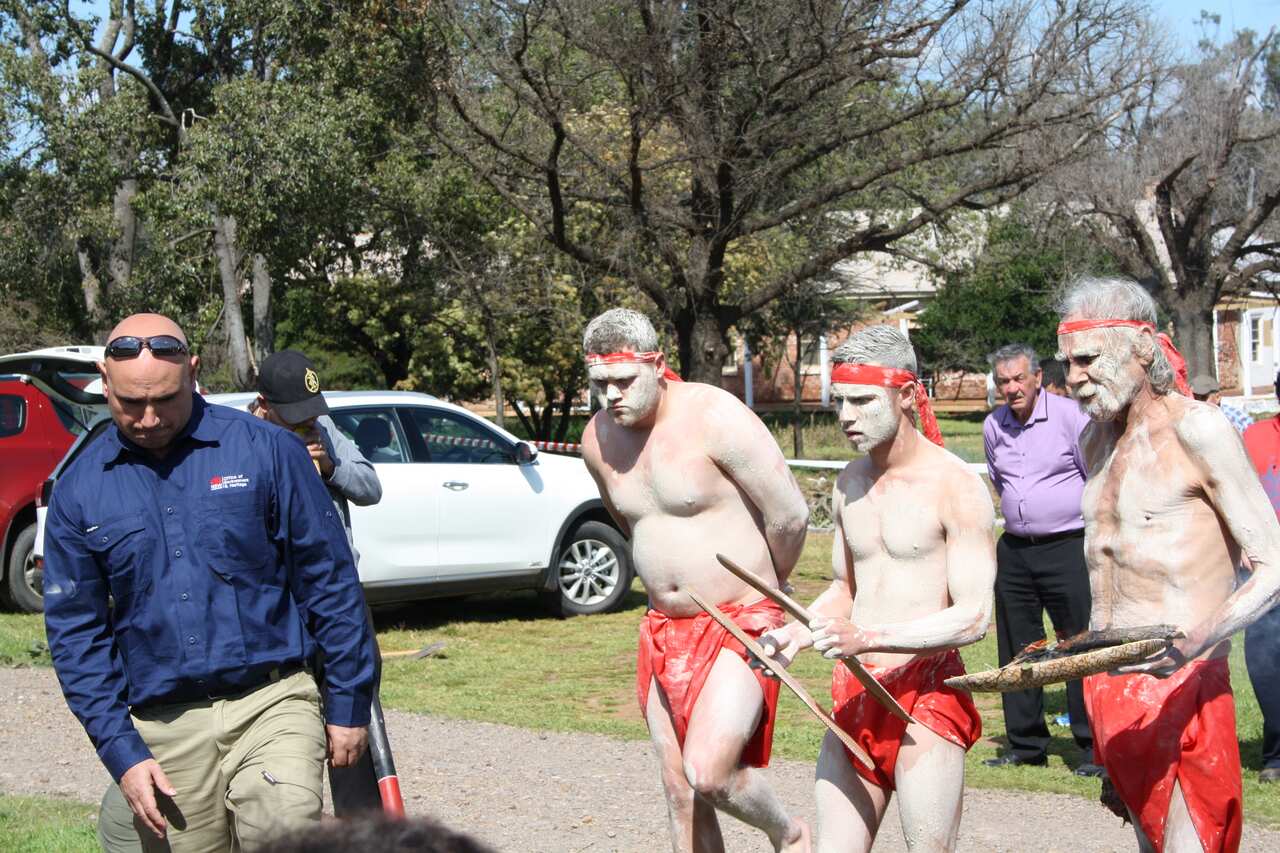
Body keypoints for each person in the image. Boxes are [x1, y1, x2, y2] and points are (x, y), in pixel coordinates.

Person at [44, 314, 376, 852]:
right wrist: (123, 753)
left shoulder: (269, 451)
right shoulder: (79, 489)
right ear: (105, 383)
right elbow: (76, 633)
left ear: (194, 373)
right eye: (130, 403)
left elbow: (329, 582)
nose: (148, 418)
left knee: (283, 829)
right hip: (161, 722)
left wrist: (347, 703)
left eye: (165, 400)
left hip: (272, 702)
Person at [1056, 277, 1280, 852]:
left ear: (1141, 350)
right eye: (1067, 361)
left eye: (1086, 359)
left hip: (1185, 683)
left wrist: (1193, 642)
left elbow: (1273, 565)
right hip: (1109, 689)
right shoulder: (1094, 443)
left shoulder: (1197, 429)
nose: (1072, 377)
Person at [580, 308, 812, 853]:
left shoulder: (715, 414)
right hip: (664, 627)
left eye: (624, 381)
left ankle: (789, 832)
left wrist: (768, 587)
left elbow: (790, 516)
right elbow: (630, 519)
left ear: (658, 365)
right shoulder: (597, 439)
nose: (612, 395)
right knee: (680, 791)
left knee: (708, 771)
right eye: (600, 384)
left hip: (741, 618)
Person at [759, 325, 993, 853]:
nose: (845, 416)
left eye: (862, 401)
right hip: (856, 691)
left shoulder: (956, 487)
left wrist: (868, 637)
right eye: (839, 400)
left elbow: (975, 616)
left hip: (926, 697)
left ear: (907, 394)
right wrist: (794, 636)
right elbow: (845, 586)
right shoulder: (849, 483)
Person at [982, 344, 1099, 775]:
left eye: (1017, 379)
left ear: (1035, 378)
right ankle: (1026, 744)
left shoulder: (1071, 416)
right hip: (1015, 550)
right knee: (1017, 649)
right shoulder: (993, 426)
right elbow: (1000, 480)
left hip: (1068, 546)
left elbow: (1094, 475)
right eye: (1002, 382)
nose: (1010, 389)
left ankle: (1092, 746)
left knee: (1080, 645)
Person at [1239, 372, 1280, 785]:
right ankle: (1277, 753)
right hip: (1267, 568)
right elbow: (1234, 493)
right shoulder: (1254, 436)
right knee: (1266, 662)